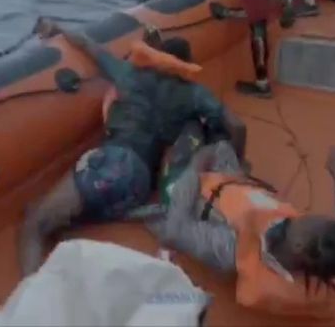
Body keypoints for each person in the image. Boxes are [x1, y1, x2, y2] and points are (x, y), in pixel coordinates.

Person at [18, 24, 243, 276]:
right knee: (54, 217)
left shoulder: (129, 74)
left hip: (117, 163)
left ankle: (29, 300)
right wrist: (235, 167)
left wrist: (56, 27)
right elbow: (236, 125)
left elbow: (87, 43)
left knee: (34, 222)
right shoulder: (194, 94)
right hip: (140, 188)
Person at [147, 140, 335, 315]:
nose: (307, 216)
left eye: (311, 220)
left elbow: (173, 231)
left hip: (190, 199)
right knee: (222, 146)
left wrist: (194, 169)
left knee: (192, 139)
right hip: (235, 188)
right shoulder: (329, 262)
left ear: (299, 244)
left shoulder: (231, 249)